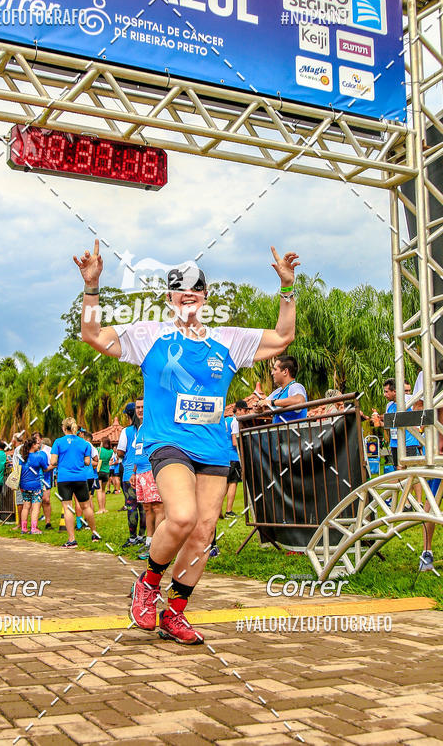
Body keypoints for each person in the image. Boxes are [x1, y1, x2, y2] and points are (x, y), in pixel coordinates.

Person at [75, 239, 299, 644]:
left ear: (205, 298)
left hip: (213, 447)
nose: (188, 297)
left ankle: (174, 613)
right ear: (169, 298)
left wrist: (287, 287)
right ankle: (147, 584)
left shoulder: (228, 340)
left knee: (202, 532)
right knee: (180, 517)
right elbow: (92, 334)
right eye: (181, 291)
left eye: (196, 291)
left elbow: (283, 337)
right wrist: (92, 287)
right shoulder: (148, 335)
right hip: (167, 441)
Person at [406, 371, 443, 572]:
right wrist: (438, 433)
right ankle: (426, 552)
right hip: (438, 437)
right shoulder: (430, 368)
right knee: (433, 495)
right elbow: (418, 405)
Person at [50, 417, 101, 547]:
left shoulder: (58, 442)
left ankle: (72, 539)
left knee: (67, 507)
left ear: (63, 428)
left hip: (64, 478)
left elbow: (52, 462)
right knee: (86, 506)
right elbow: (88, 462)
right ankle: (95, 533)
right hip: (80, 477)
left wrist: (63, 461)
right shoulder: (84, 443)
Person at [131, 397, 164, 561]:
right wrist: (133, 472)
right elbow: (137, 451)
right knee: (147, 508)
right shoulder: (140, 427)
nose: (140, 410)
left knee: (158, 507)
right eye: (137, 407)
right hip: (140, 473)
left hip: (152, 470)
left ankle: (159, 544)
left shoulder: (154, 424)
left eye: (143, 406)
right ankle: (149, 541)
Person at [116, 403, 146, 547]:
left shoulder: (126, 431)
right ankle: (143, 536)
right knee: (145, 507)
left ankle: (132, 538)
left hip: (129, 473)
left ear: (128, 415)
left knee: (131, 506)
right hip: (146, 473)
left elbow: (120, 451)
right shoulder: (149, 429)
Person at [261, 356, 307, 423]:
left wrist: (272, 402)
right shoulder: (277, 391)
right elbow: (265, 404)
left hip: (294, 432)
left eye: (275, 369)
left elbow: (299, 400)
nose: (272, 373)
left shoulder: (295, 387)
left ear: (285, 372)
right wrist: (258, 407)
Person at [16, 435, 48, 534]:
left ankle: (24, 528)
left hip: (24, 485)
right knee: (35, 507)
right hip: (36, 485)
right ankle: (34, 528)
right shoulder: (38, 456)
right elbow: (45, 468)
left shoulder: (22, 457)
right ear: (33, 445)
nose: (39, 445)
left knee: (26, 506)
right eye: (37, 443)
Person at [223, 400, 248, 518]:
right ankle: (228, 511)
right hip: (233, 456)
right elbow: (235, 442)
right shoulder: (236, 421)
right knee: (233, 483)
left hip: (224, 456)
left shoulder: (226, 420)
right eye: (245, 410)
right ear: (238, 410)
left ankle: (217, 510)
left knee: (224, 485)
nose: (246, 413)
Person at [371, 379, 398, 467]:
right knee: (397, 469)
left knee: (410, 471)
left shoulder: (407, 403)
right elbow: (389, 425)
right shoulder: (389, 406)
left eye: (386, 392)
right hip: (394, 443)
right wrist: (378, 422)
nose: (384, 394)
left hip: (407, 443)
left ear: (394, 391)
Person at [97, 436, 113, 513]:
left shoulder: (99, 449)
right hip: (106, 472)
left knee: (99, 490)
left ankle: (100, 509)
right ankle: (104, 508)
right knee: (103, 490)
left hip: (99, 471)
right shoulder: (111, 451)